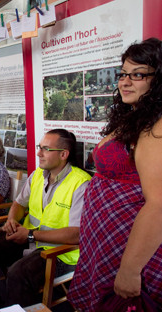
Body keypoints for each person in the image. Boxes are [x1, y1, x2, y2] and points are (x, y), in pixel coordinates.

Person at [69, 38, 162, 310]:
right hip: (105, 242)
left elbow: (158, 203)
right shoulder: (133, 119)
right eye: (123, 74)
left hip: (131, 248)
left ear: (157, 81)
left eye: (138, 74)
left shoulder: (156, 127)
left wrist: (130, 270)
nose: (125, 82)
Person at [0, 129, 91, 311]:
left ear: (63, 154)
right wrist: (12, 220)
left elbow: (76, 234)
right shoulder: (38, 175)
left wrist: (30, 235)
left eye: (45, 149)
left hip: (59, 253)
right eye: (39, 147)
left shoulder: (81, 183)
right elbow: (19, 204)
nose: (38, 153)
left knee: (17, 274)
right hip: (30, 239)